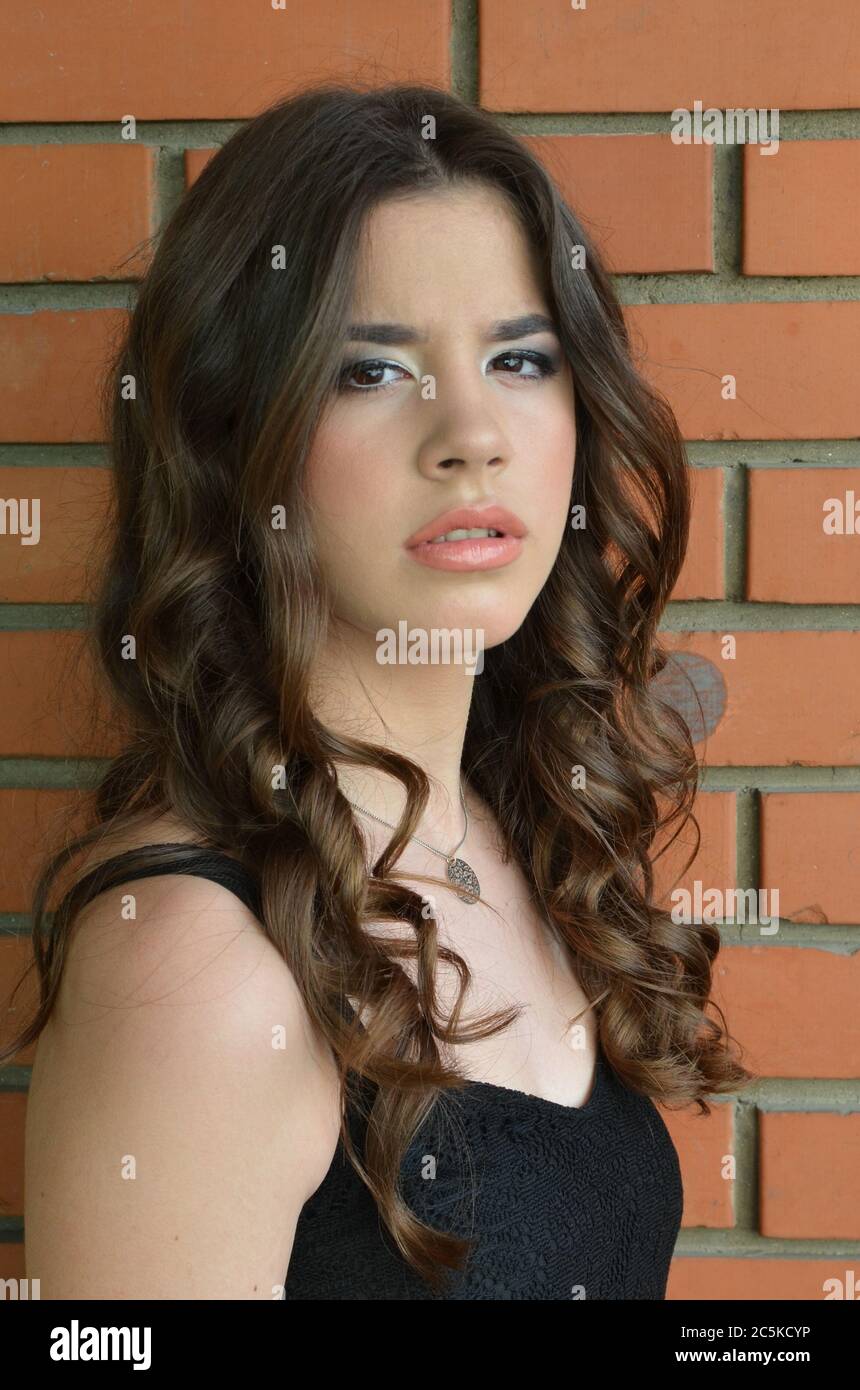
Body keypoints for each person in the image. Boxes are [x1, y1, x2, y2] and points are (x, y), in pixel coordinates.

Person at [5, 82, 752, 1300]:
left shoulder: (525, 835)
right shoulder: (197, 968)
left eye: (519, 357)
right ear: (236, 435)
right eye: (369, 370)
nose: (470, 432)